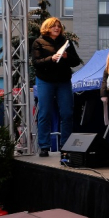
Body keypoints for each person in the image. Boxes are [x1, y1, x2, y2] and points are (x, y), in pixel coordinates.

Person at [31, 17, 82, 156]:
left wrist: (66, 56)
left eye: (58, 26)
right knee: (45, 112)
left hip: (63, 81)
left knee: (67, 113)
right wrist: (51, 58)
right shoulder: (39, 42)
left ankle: (65, 145)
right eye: (54, 26)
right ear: (47, 28)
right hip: (45, 80)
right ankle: (44, 146)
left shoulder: (67, 42)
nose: (57, 28)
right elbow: (36, 62)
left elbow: (76, 61)